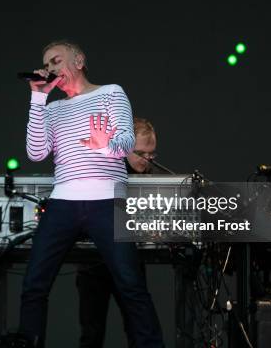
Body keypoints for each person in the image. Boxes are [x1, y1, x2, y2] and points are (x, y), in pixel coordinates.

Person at [18, 40, 165, 348]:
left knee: (130, 285)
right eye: (46, 65)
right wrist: (37, 98)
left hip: (106, 200)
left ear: (79, 60)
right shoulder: (53, 107)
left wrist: (103, 145)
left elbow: (126, 142)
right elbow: (35, 152)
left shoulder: (111, 92)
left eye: (56, 61)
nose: (50, 69)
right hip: (63, 201)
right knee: (34, 284)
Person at [76, 118, 162, 348]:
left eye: (152, 154)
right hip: (95, 263)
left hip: (130, 261)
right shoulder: (100, 168)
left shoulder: (149, 177)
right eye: (142, 153)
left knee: (139, 330)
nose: (148, 160)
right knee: (92, 333)